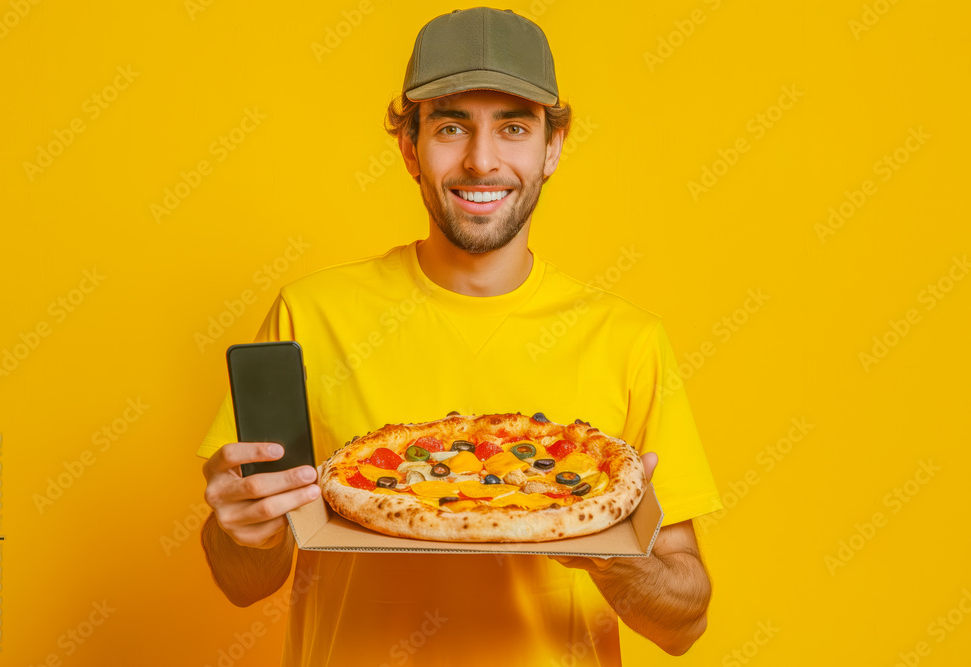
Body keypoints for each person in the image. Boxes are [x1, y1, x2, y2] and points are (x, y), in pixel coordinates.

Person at [197, 7, 723, 665]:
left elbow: (685, 621)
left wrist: (608, 550)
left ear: (552, 146)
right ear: (409, 146)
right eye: (451, 126)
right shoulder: (308, 316)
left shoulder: (629, 340)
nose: (482, 160)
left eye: (512, 127)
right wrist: (241, 528)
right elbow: (243, 581)